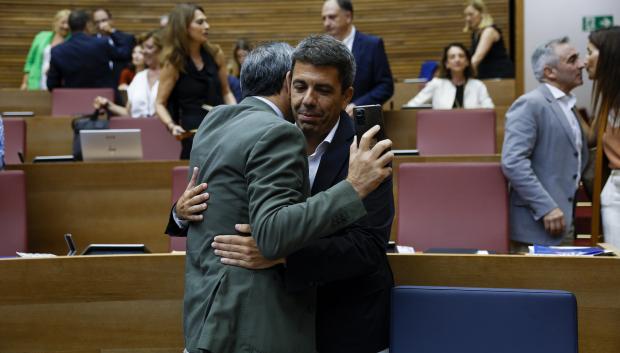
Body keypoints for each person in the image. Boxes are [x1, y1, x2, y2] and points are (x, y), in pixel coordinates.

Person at [173, 35, 395, 352]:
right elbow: (223, 202)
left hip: (346, 320)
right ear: (288, 82)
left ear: (346, 96)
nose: (307, 100)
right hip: (274, 321)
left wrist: (282, 257)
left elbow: (367, 247)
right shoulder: (267, 134)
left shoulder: (367, 153)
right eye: (301, 86)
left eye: (323, 90)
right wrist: (179, 213)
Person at [501, 37, 588, 253]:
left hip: (564, 220)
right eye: (572, 60)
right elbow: (513, 162)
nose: (582, 64)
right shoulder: (530, 104)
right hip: (538, 223)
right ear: (550, 72)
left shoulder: (568, 105)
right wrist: (546, 207)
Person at [155, 3, 236, 160]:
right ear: (184, 27)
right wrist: (172, 126)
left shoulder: (215, 53)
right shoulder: (173, 62)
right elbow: (159, 103)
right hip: (193, 134)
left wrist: (237, 114)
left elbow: (226, 92)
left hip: (220, 128)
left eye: (206, 21)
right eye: (200, 22)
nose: (207, 26)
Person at [322, 0, 394, 116]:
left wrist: (359, 105)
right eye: (324, 18)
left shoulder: (372, 45)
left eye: (331, 17)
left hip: (362, 120)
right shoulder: (322, 48)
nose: (326, 23)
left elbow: (385, 86)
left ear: (348, 17)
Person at [584, 26, 620, 247]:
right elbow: (592, 138)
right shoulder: (608, 100)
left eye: (589, 52)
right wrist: (563, 100)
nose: (584, 60)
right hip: (613, 190)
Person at [93, 30, 162, 118]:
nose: (144, 51)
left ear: (162, 50)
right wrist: (108, 105)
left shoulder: (170, 76)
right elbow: (128, 112)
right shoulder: (139, 77)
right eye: (143, 48)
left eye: (149, 47)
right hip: (138, 128)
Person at [406, 42, 494, 109]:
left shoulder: (478, 85)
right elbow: (411, 106)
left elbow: (490, 110)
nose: (457, 60)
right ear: (447, 64)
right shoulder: (436, 84)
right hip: (441, 130)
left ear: (467, 62)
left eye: (461, 56)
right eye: (452, 57)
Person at [46, 10, 116, 90]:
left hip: (71, 99)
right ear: (87, 25)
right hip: (101, 98)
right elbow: (123, 54)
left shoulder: (57, 51)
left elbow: (52, 85)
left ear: (70, 26)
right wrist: (113, 32)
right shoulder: (102, 44)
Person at [21, 9, 70, 90]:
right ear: (56, 22)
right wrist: (24, 83)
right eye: (63, 22)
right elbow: (30, 62)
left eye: (69, 23)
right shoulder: (41, 37)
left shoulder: (72, 41)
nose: (66, 26)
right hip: (36, 83)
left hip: (60, 85)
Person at [463, 0, 514, 79]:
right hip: (488, 77)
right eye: (466, 15)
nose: (468, 19)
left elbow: (476, 59)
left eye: (471, 14)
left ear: (482, 14)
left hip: (500, 77)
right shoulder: (475, 34)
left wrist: (461, 74)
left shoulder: (489, 31)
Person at [93, 8, 136, 86]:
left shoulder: (126, 38)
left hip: (122, 82)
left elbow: (126, 53)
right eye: (97, 22)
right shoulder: (91, 40)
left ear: (111, 20)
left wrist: (111, 31)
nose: (101, 25)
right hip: (99, 84)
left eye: (104, 20)